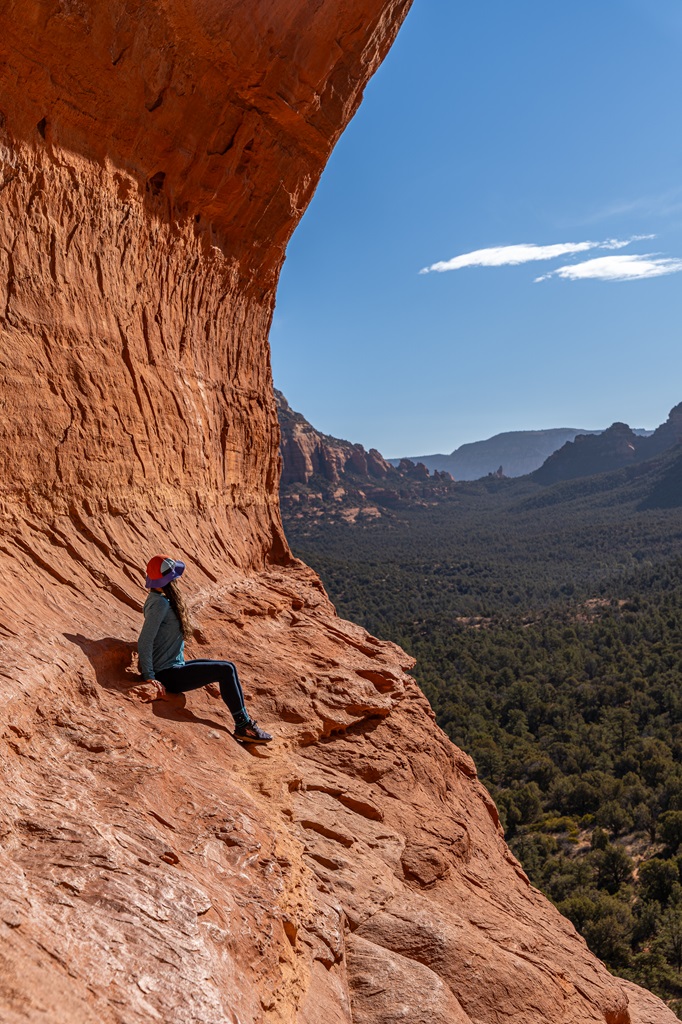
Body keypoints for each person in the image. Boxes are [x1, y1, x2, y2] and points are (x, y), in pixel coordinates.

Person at [137, 555, 272, 744]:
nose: (176, 579)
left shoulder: (161, 599)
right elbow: (145, 640)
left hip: (174, 667)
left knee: (228, 667)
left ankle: (244, 723)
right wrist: (149, 675)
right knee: (224, 671)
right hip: (166, 674)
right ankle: (243, 726)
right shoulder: (159, 603)